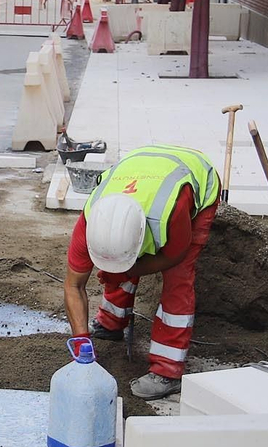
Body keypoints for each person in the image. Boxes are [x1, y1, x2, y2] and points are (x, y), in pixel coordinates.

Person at [63, 145, 220, 399]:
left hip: (193, 178)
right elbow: (73, 286)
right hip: (142, 167)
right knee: (117, 267)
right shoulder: (91, 221)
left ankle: (167, 370)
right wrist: (81, 342)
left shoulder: (170, 214)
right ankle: (111, 322)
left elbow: (174, 256)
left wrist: (131, 268)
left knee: (178, 280)